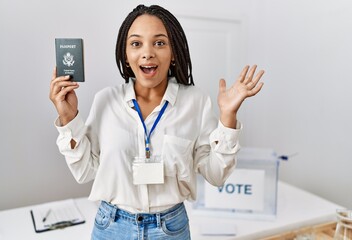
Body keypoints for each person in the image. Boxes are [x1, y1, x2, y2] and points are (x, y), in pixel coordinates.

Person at [49, 4, 264, 240]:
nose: (147, 52)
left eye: (159, 43)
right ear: (125, 54)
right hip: (111, 227)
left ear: (173, 53)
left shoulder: (195, 101)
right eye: (136, 43)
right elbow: (84, 171)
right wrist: (68, 118)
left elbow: (216, 175)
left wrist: (227, 117)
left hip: (170, 229)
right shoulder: (105, 101)